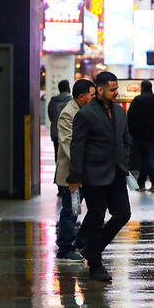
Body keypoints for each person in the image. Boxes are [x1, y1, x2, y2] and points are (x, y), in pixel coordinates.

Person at [68, 71, 132, 282]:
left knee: (123, 213)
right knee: (96, 218)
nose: (116, 92)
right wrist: (75, 178)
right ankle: (96, 265)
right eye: (112, 89)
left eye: (117, 88)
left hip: (117, 174)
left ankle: (92, 250)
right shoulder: (85, 114)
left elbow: (125, 140)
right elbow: (77, 147)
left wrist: (125, 161)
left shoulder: (120, 112)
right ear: (100, 90)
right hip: (94, 175)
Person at [54, 79, 95, 262]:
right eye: (91, 95)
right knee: (71, 211)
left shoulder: (84, 111)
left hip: (82, 173)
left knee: (81, 210)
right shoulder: (68, 114)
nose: (94, 98)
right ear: (81, 97)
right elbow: (68, 145)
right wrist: (83, 167)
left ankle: (77, 243)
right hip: (72, 175)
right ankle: (65, 248)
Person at [126, 80, 154, 192]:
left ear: (142, 88)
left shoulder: (137, 101)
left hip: (140, 134)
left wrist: (132, 132)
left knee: (146, 157)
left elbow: (130, 117)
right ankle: (141, 183)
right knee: (146, 156)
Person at [48, 80, 73, 158]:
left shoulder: (53, 101)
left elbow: (51, 116)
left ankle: (58, 169)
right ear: (68, 88)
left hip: (56, 132)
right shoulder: (72, 101)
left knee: (57, 155)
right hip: (69, 133)